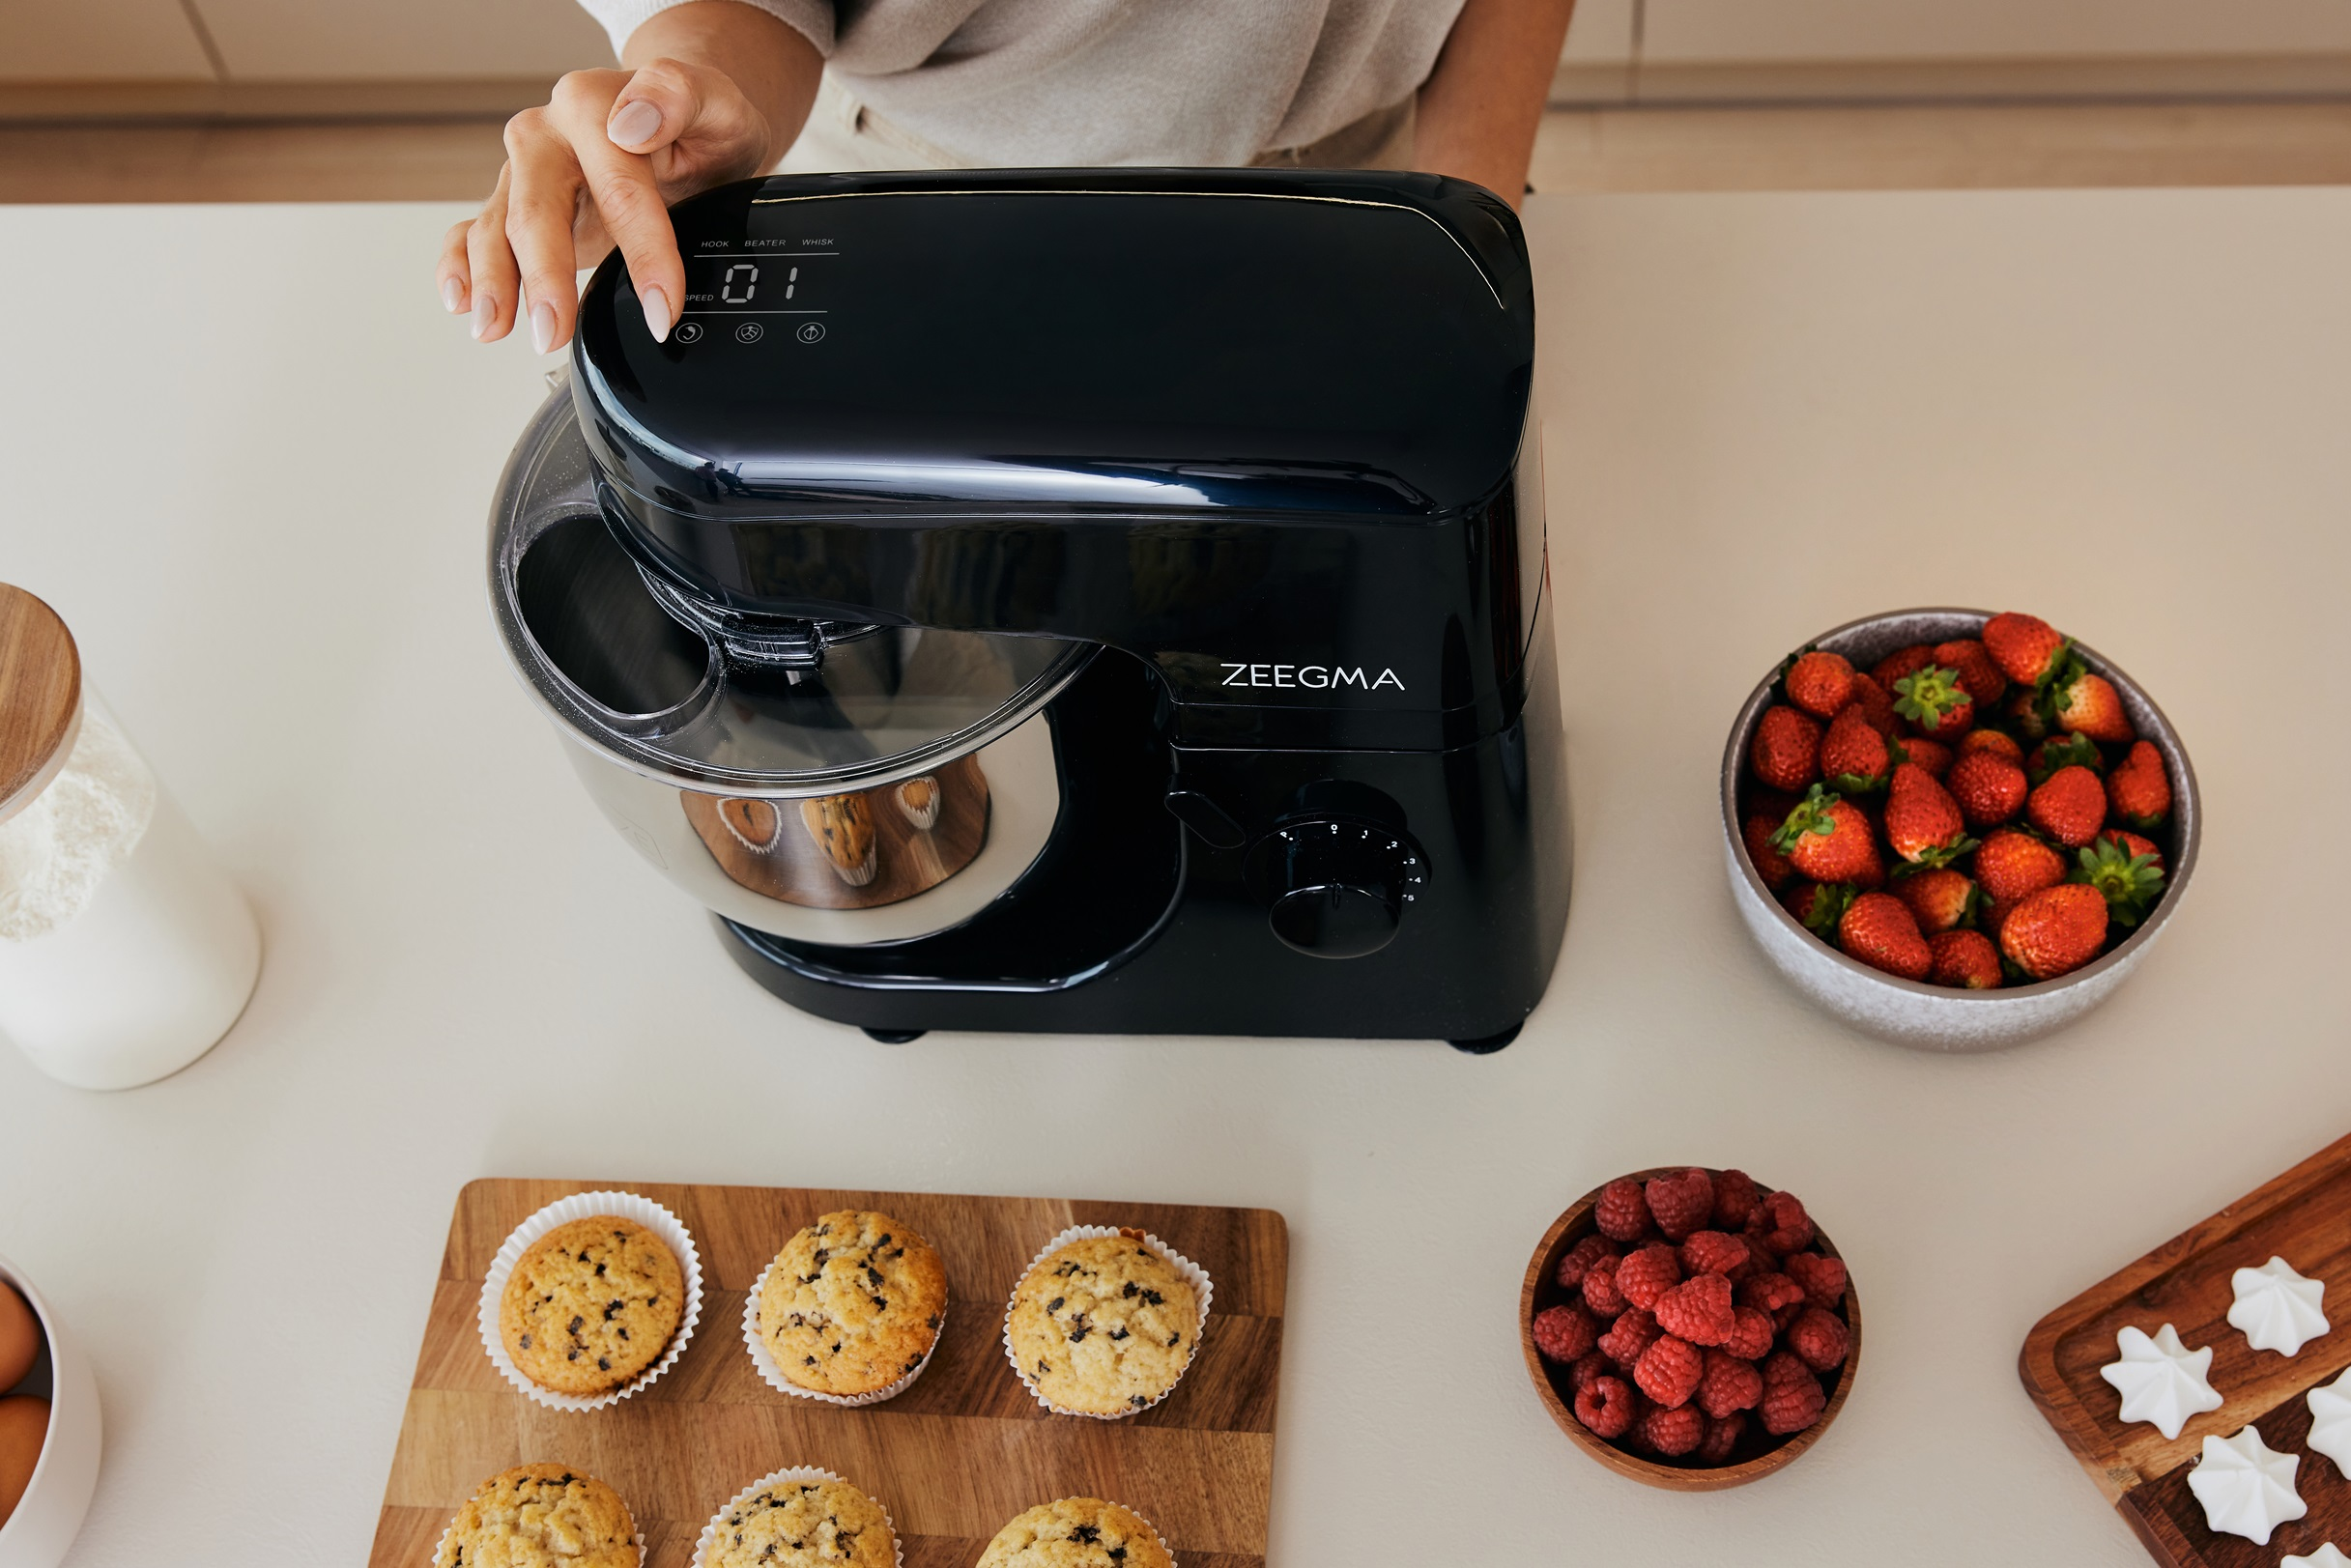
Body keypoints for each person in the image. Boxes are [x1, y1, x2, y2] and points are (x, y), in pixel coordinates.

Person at [440, 0, 1575, 355]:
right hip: (920, 208)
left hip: (1352, 193)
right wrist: (687, 91)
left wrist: (1466, 240)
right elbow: (746, 16)